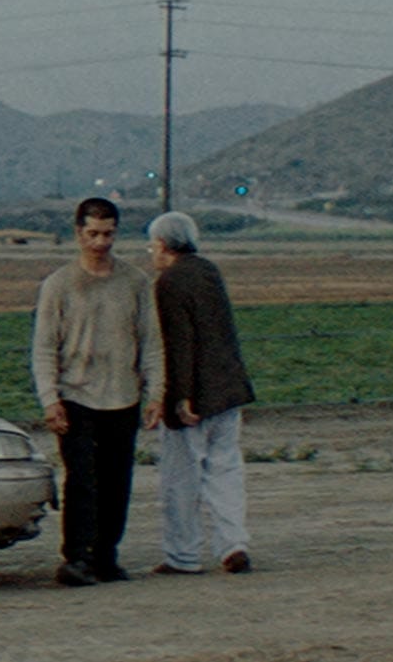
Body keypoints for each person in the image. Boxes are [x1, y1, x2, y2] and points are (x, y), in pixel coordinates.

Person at [31, 197, 165, 586]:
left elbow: (151, 342)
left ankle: (106, 556)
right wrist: (50, 398)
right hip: (76, 397)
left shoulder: (136, 282)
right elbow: (43, 347)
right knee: (81, 481)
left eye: (108, 234)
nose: (100, 242)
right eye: (93, 234)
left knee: (116, 481)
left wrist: (155, 392)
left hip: (122, 395)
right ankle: (76, 558)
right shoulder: (59, 285)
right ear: (78, 234)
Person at [143, 211, 256, 575]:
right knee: (225, 470)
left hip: (194, 396)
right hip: (227, 389)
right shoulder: (210, 271)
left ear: (162, 245)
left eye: (152, 245)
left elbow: (179, 343)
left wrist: (181, 396)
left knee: (181, 479)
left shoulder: (168, 282)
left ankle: (183, 555)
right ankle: (233, 544)